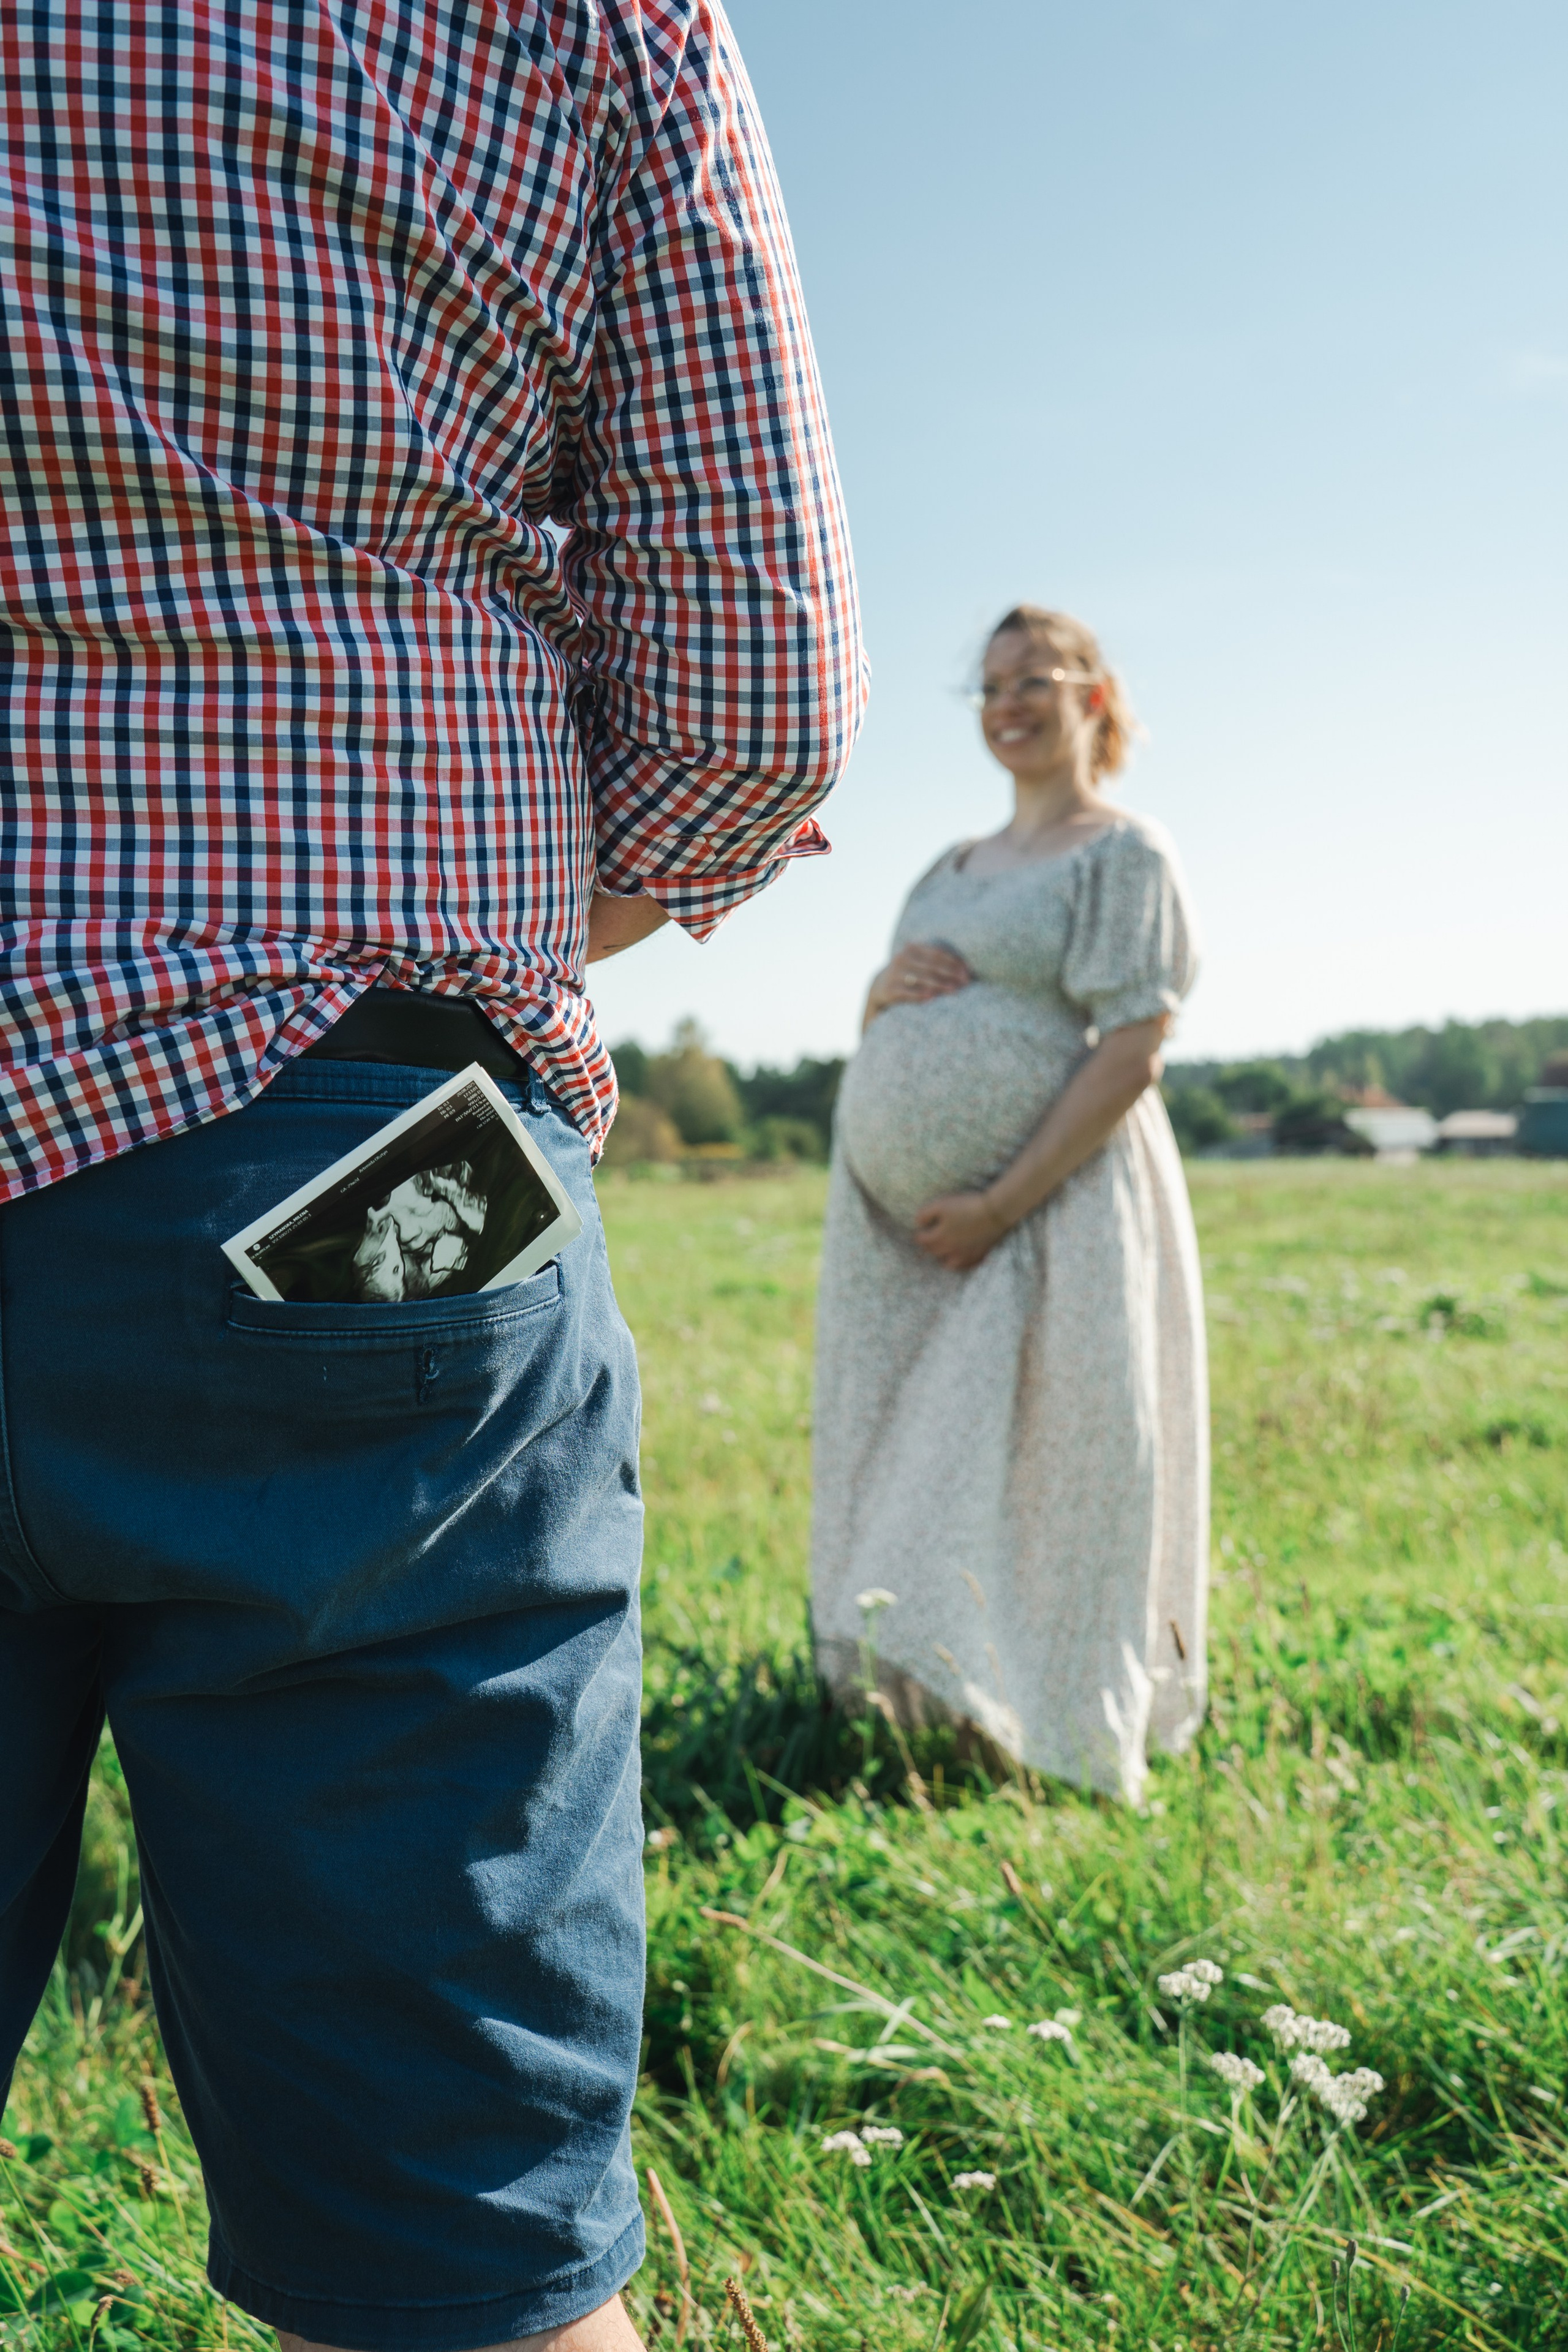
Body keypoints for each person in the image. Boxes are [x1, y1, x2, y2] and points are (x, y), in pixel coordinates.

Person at [0, 6, 864, 2350]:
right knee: (460, 2248)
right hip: (371, 1140)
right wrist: (418, 911)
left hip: (346, 1122)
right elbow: (754, 693)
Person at [811, 606, 1205, 1804]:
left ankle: (1048, 1736)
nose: (1007, 704)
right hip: (899, 1237)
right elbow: (899, 1021)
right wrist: (881, 998)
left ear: (1094, 695)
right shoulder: (946, 867)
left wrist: (999, 1200)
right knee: (900, 1455)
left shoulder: (1122, 854)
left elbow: (1132, 1047)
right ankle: (918, 1722)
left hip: (1053, 1211)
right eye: (988, 687)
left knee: (1053, 1468)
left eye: (1033, 679)